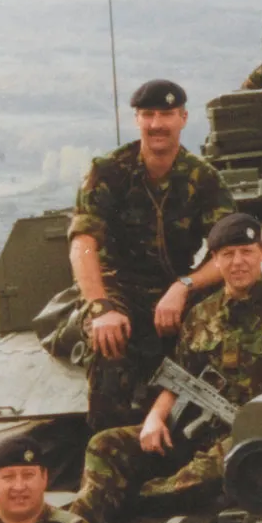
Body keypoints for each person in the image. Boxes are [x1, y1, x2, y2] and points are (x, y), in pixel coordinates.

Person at [71, 212, 262, 523]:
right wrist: (155, 419)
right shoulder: (200, 315)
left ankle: (132, 500)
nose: (238, 263)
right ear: (216, 262)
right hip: (195, 431)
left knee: (201, 475)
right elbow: (178, 378)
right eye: (227, 255)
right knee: (104, 445)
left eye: (246, 252)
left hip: (258, 438)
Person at [69, 78, 238, 431]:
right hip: (118, 286)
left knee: (221, 332)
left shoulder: (202, 178)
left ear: (183, 118)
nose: (156, 124)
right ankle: (109, 443)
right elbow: (83, 243)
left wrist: (185, 286)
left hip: (174, 286)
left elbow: (227, 251)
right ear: (137, 120)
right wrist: (99, 306)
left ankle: (202, 434)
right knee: (108, 341)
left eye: (166, 114)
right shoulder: (109, 172)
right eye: (148, 114)